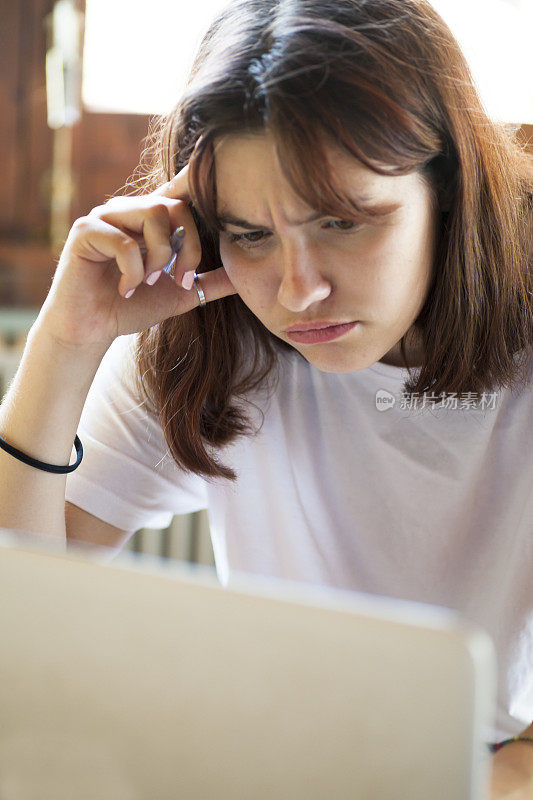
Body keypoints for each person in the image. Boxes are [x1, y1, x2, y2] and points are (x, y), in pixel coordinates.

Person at [0, 0, 531, 785]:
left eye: (345, 222)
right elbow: (17, 625)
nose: (296, 291)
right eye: (248, 234)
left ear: (446, 184)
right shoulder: (214, 331)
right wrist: (67, 342)